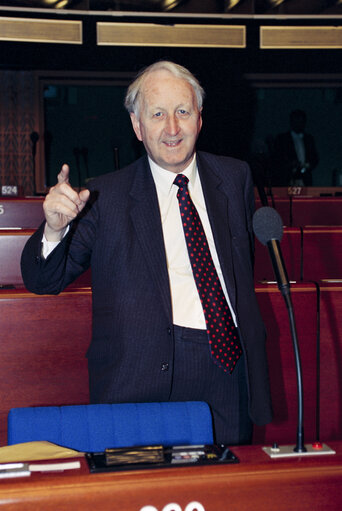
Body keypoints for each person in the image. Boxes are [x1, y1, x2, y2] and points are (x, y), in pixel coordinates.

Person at [21, 60, 272, 445]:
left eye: (182, 112)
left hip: (225, 371)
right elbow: (43, 280)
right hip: (137, 379)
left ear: (199, 119)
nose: (172, 128)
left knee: (223, 492)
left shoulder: (234, 177)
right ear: (138, 127)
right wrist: (55, 228)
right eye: (157, 114)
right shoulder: (106, 195)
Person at [273, 109, 319, 187]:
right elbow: (277, 158)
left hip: (305, 179)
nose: (299, 124)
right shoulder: (282, 139)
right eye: (296, 121)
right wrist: (291, 165)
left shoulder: (309, 139)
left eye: (301, 121)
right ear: (291, 122)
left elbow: (314, 157)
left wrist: (307, 165)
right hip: (287, 179)